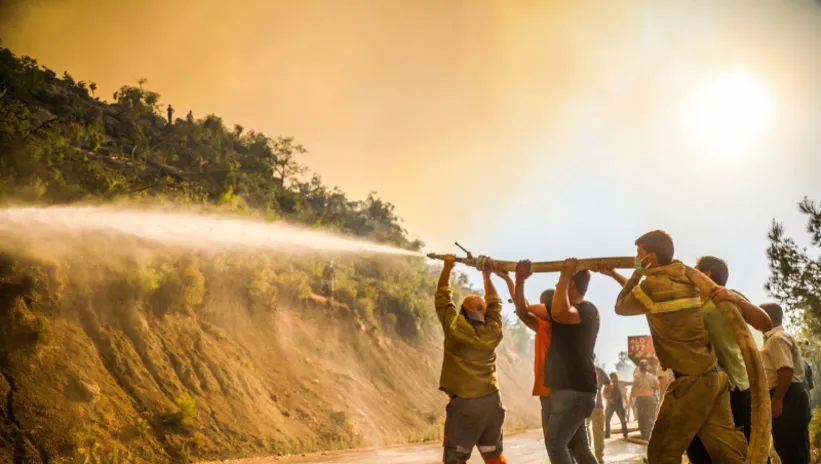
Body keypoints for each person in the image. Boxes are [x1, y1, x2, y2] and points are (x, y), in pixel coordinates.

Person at [596, 230, 747, 463]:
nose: (637, 259)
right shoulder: (685, 278)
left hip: (691, 381)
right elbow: (647, 298)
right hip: (713, 376)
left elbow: (622, 306)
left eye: (640, 255)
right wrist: (614, 274)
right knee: (729, 454)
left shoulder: (651, 285)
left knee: (661, 454)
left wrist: (636, 273)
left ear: (652, 258)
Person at [684, 256, 773, 464]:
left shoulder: (725, 297)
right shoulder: (694, 306)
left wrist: (735, 299)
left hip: (734, 388)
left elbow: (765, 323)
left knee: (746, 447)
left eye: (695, 269)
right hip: (704, 390)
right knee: (698, 448)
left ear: (706, 274)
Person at [516, 258, 599, 464]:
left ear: (571, 284)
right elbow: (523, 311)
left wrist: (564, 275)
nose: (557, 285)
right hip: (566, 391)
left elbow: (561, 312)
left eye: (561, 283)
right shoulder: (557, 314)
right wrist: (519, 281)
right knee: (578, 447)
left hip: (575, 391)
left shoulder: (587, 310)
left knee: (555, 444)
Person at [435, 255, 507, 464]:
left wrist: (447, 267)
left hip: (466, 405)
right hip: (492, 402)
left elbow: (442, 297)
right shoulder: (493, 331)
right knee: (493, 455)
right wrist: (487, 275)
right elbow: (495, 304)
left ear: (462, 312)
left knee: (455, 459)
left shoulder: (455, 328)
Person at [502, 265, 555, 454]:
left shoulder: (545, 324)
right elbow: (522, 305)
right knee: (570, 442)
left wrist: (514, 280)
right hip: (557, 389)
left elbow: (523, 308)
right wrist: (509, 279)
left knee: (554, 442)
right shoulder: (562, 321)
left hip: (550, 390)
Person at [759, 302, 811, 464]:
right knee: (789, 446)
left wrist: (778, 399)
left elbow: (785, 370)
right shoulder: (776, 338)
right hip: (789, 395)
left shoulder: (777, 339)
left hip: (787, 396)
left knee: (791, 448)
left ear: (766, 318)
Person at [587, 364, 611, 463]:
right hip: (589, 407)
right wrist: (605, 394)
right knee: (595, 432)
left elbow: (609, 383)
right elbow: (609, 384)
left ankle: (595, 456)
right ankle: (592, 456)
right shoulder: (599, 370)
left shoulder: (598, 371)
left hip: (592, 407)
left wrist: (605, 394)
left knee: (595, 432)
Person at [629, 360, 658, 440]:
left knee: (642, 418)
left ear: (639, 368)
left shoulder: (637, 376)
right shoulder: (652, 377)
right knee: (650, 417)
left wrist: (630, 398)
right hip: (650, 399)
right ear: (647, 367)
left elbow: (634, 388)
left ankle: (645, 435)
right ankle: (651, 434)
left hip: (641, 399)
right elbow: (657, 387)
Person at [605, 372, 629, 439]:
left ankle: (625, 433)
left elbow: (630, 383)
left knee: (623, 419)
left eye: (615, 377)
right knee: (607, 419)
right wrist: (609, 399)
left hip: (619, 404)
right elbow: (604, 394)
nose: (614, 379)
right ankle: (607, 434)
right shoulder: (608, 385)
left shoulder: (621, 383)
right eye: (612, 378)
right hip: (611, 405)